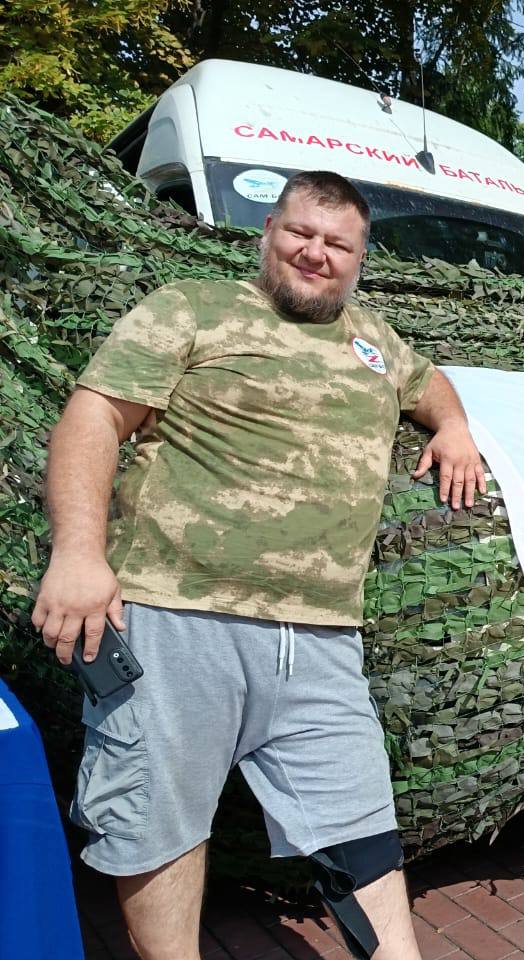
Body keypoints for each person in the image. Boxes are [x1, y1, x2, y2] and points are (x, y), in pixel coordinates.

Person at [32, 170, 485, 960]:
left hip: (321, 637)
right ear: (267, 233)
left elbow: (427, 382)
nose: (316, 254)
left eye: (337, 244)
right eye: (300, 234)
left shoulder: (375, 340)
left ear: (360, 258)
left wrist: (454, 427)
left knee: (360, 826)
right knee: (157, 826)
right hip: (176, 615)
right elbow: (95, 416)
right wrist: (78, 550)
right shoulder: (192, 309)